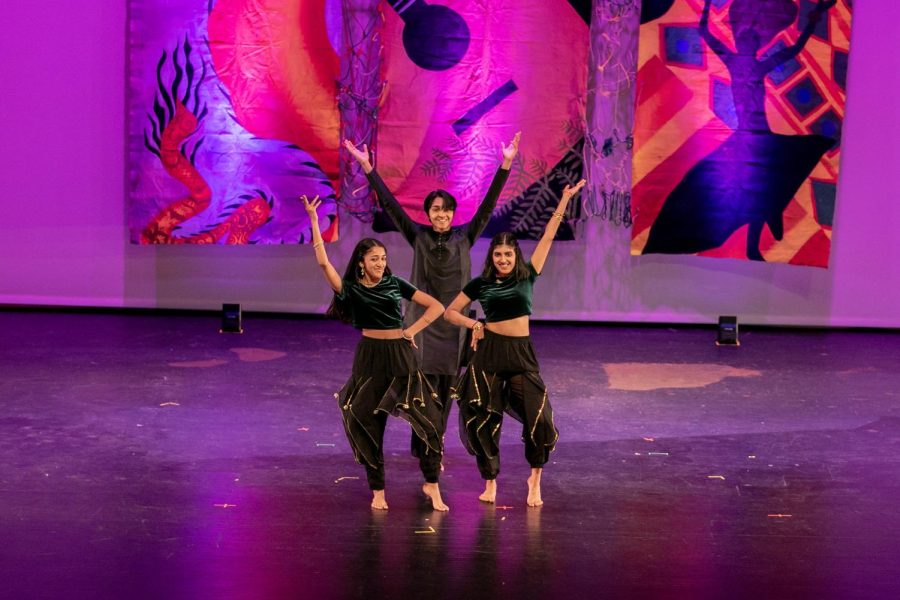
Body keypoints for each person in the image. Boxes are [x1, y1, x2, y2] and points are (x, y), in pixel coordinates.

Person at [343, 132, 521, 465]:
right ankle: (427, 447)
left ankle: (432, 447)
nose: (440, 214)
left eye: (446, 210)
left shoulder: (465, 236)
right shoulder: (419, 237)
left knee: (448, 390)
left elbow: (489, 204)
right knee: (422, 391)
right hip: (422, 324)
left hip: (454, 325)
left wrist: (506, 164)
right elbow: (392, 208)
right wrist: (368, 168)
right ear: (427, 214)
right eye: (435, 210)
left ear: (453, 213)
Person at [444, 179, 586, 507]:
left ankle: (534, 478)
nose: (504, 259)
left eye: (508, 254)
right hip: (490, 353)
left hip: (521, 354)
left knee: (540, 417)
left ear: (515, 255)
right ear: (492, 257)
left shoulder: (528, 274)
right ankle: (490, 481)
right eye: (498, 254)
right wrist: (474, 324)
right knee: (482, 417)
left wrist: (563, 201)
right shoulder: (480, 283)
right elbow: (450, 313)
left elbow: (548, 235)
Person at [302, 194, 448, 511]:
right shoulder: (351, 289)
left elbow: (436, 306)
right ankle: (378, 489)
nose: (380, 263)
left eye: (382, 257)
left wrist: (410, 330)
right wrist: (315, 221)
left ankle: (431, 483)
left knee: (430, 421)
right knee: (368, 420)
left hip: (400, 355)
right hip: (370, 357)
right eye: (374, 259)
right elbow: (324, 264)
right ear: (361, 263)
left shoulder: (395, 282)